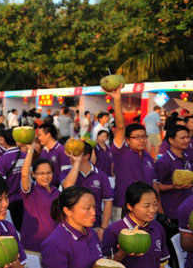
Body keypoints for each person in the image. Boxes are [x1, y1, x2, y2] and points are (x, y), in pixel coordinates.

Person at [109, 85, 156, 222]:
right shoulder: (121, 152)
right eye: (137, 137)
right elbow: (120, 126)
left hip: (147, 210)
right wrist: (117, 99)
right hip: (124, 207)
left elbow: (153, 184)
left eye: (144, 136)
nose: (142, 140)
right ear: (127, 140)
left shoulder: (147, 156)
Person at [61, 141, 113, 238]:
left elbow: (108, 202)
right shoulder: (66, 173)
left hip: (94, 226)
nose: (71, 157)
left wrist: (104, 227)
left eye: (76, 154)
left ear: (86, 156)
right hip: (72, 226)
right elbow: (67, 187)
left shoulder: (101, 176)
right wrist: (76, 162)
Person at [20, 140, 61, 254]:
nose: (45, 176)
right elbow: (24, 174)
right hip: (32, 247)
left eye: (49, 173)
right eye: (41, 173)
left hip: (53, 247)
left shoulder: (57, 193)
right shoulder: (30, 190)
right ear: (34, 174)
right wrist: (30, 151)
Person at [155, 125, 193, 226]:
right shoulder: (164, 162)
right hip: (171, 212)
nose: (187, 140)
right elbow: (156, 186)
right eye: (182, 138)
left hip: (187, 210)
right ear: (171, 140)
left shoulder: (187, 158)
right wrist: (172, 186)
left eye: (187, 137)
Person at [0, 129, 27, 230]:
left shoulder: (1, 160)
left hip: (11, 200)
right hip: (26, 198)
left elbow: (1, 184)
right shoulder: (25, 156)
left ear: (4, 140)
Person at [37, 123, 70, 187]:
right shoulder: (44, 151)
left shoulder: (62, 150)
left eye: (40, 135)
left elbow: (66, 173)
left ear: (48, 135)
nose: (38, 138)